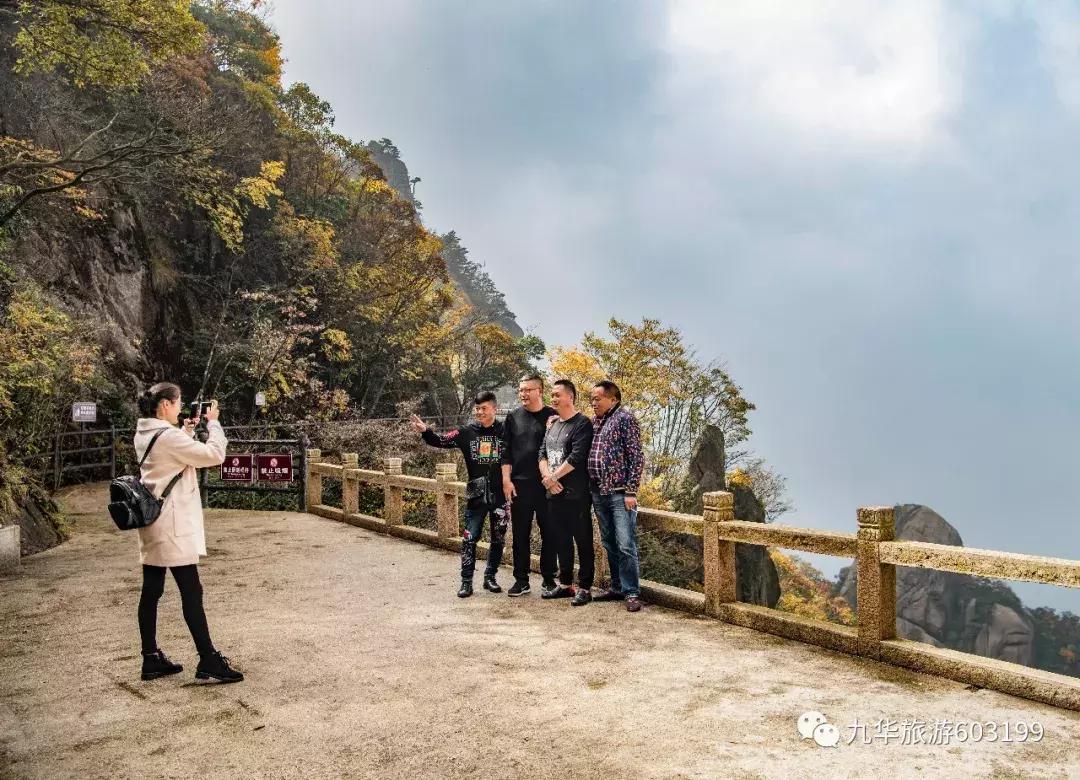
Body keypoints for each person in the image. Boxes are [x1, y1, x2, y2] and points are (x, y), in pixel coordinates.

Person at [134, 383, 243, 683]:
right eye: (179, 402)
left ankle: (150, 658)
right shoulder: (167, 436)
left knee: (152, 590)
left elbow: (170, 460)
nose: (182, 407)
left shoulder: (146, 432)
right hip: (172, 525)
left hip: (153, 522)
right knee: (191, 591)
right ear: (166, 405)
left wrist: (187, 432)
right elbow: (213, 455)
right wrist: (215, 423)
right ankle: (208, 658)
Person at [410, 391, 506, 598]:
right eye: (477, 409)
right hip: (476, 493)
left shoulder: (506, 430)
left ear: (494, 409)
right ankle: (466, 581)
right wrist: (425, 431)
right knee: (470, 538)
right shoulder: (465, 432)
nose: (480, 412)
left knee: (498, 538)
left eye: (484, 408)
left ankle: (490, 577)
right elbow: (441, 441)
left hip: (500, 494)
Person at [588, 380, 645, 612]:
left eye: (597, 398)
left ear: (613, 399)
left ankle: (631, 592)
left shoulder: (625, 419)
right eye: (592, 399)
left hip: (620, 493)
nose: (593, 403)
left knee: (625, 544)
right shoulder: (595, 422)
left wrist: (631, 490)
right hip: (598, 492)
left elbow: (636, 456)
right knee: (609, 542)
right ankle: (616, 586)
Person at [537, 379, 595, 606]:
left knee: (583, 541)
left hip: (576, 495)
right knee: (560, 540)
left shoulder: (582, 424)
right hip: (553, 493)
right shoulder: (553, 424)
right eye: (552, 395)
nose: (553, 399)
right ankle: (565, 584)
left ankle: (585, 587)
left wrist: (554, 477)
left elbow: (576, 457)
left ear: (570, 396)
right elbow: (541, 453)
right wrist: (547, 480)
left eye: (557, 394)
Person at [499, 374, 557, 596]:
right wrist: (506, 480)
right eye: (521, 389)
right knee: (520, 534)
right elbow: (505, 452)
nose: (523, 394)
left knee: (550, 533)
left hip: (546, 485)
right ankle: (521, 580)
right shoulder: (513, 417)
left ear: (540, 391)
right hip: (520, 485)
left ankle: (549, 579)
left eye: (528, 390)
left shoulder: (553, 415)